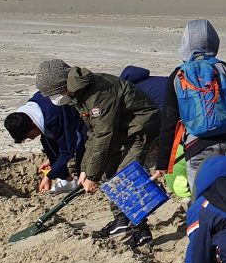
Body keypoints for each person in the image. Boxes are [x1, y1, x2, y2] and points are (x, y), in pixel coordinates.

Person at [34, 59, 160, 249]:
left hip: (139, 128)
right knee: (110, 170)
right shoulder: (79, 94)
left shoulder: (97, 94)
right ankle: (121, 221)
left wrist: (92, 176)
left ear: (62, 86)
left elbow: (104, 134)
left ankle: (141, 232)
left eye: (53, 94)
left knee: (124, 176)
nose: (54, 100)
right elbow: (93, 133)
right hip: (120, 129)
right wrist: (85, 170)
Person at [158, 20, 226, 198]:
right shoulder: (225, 69)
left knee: (200, 197)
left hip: (196, 144)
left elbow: (169, 121)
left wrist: (162, 163)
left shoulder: (178, 74)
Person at [4, 92, 86, 193]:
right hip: (57, 114)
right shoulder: (27, 114)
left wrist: (49, 176)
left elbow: (67, 150)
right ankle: (65, 179)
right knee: (46, 140)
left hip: (79, 116)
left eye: (30, 136)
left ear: (33, 124)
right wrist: (52, 162)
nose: (32, 139)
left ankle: (82, 181)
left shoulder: (53, 118)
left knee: (80, 144)